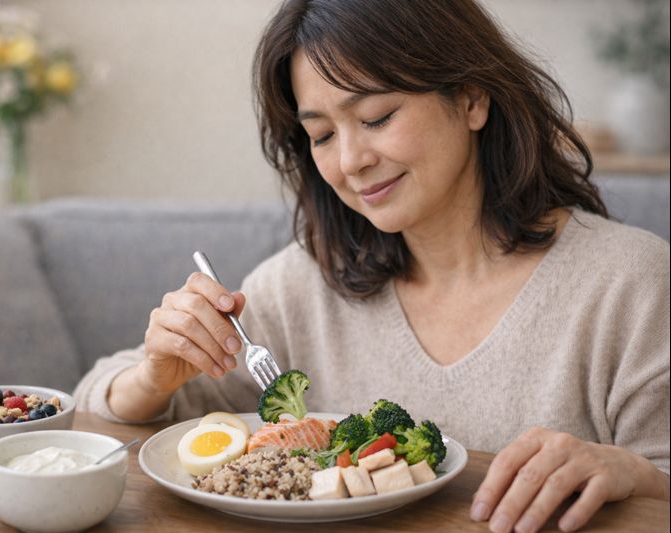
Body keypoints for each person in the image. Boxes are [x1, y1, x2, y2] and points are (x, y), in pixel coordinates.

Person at [74, 0, 670, 531]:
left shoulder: (629, 283)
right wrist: (153, 378)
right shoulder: (303, 285)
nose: (352, 161)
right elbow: (101, 413)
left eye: (377, 117)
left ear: (471, 98)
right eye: (322, 135)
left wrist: (632, 473)